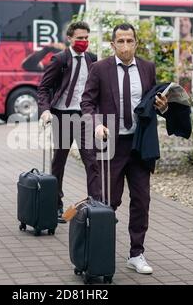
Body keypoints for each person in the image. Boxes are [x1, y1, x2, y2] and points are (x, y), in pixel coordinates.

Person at [81, 23, 168, 274]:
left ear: (136, 43)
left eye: (130, 41)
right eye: (120, 41)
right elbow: (87, 101)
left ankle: (136, 253)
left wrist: (162, 107)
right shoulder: (100, 69)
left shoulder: (147, 68)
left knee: (141, 200)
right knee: (109, 201)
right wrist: (96, 124)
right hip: (111, 144)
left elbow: (152, 102)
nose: (126, 46)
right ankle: (100, 252)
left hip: (140, 144)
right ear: (112, 44)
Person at [38, 21, 101, 223]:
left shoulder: (93, 59)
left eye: (86, 38)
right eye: (79, 38)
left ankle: (95, 204)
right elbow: (43, 88)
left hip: (84, 116)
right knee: (60, 161)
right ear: (70, 39)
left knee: (91, 161)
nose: (83, 41)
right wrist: (45, 110)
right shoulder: (60, 59)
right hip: (63, 115)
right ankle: (56, 204)